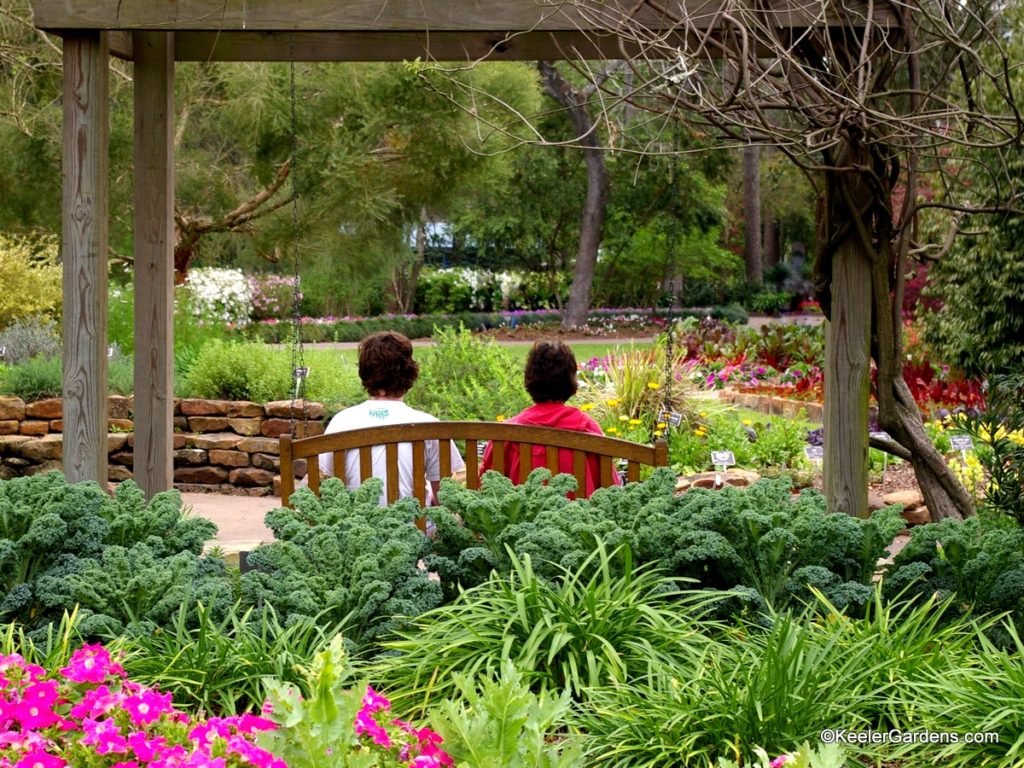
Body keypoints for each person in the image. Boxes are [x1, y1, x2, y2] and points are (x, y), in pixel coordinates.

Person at [319, 331, 464, 505]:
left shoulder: (341, 421)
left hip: (355, 530)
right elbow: (443, 497)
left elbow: (329, 481)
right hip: (415, 529)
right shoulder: (430, 426)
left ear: (364, 373)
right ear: (410, 373)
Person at [480, 339, 621, 498]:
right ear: (571, 381)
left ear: (529, 379)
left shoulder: (505, 434)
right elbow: (611, 489)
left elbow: (486, 486)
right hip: (579, 520)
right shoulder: (588, 428)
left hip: (521, 521)